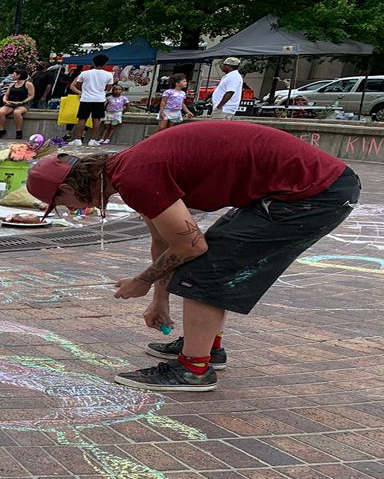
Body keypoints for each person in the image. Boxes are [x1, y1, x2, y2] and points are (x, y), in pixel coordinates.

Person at [25, 122, 358, 392]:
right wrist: (160, 302)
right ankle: (208, 350)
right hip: (308, 187)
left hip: (313, 192)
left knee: (205, 270)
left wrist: (142, 281)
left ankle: (193, 369)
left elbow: (190, 247)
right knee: (207, 262)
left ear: (69, 187)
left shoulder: (136, 176)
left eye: (63, 203)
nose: (71, 209)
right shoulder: (126, 171)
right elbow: (163, 241)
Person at [68, 53, 113, 146]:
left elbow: (79, 84)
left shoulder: (85, 73)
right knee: (96, 119)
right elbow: (108, 88)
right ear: (105, 64)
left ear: (93, 62)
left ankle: (77, 140)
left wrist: (84, 91)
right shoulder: (108, 75)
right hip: (99, 99)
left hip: (86, 98)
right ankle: (93, 140)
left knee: (82, 119)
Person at [0, 66, 33, 139]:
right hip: (11, 103)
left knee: (17, 112)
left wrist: (22, 102)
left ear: (19, 75)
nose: (12, 75)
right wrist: (5, 101)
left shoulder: (28, 84)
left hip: (22, 104)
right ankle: (1, 130)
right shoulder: (12, 84)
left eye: (14, 74)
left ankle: (18, 131)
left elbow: (31, 96)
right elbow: (6, 95)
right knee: (1, 112)